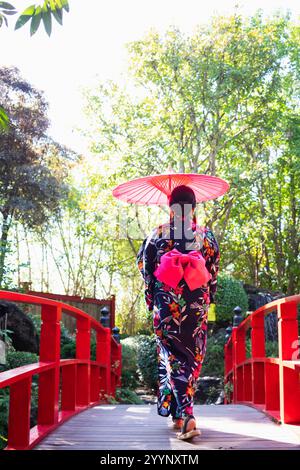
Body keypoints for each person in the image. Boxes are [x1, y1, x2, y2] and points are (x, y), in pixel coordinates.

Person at [136, 185, 220, 440]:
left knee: (172, 357)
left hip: (167, 306)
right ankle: (180, 414)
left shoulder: (157, 235)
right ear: (194, 208)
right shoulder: (207, 237)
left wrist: (151, 299)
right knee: (191, 358)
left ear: (170, 207)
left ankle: (186, 414)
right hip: (196, 306)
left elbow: (146, 269)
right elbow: (213, 274)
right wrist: (208, 302)